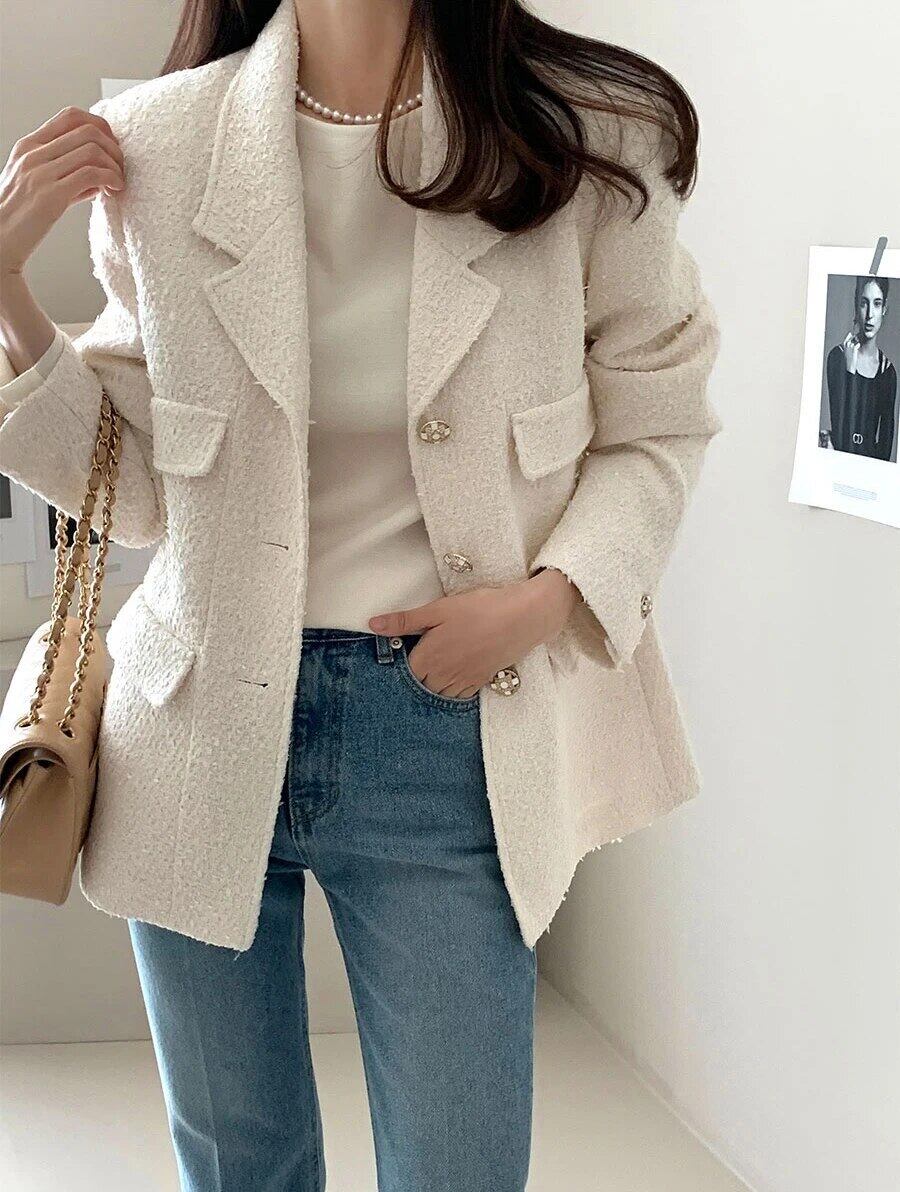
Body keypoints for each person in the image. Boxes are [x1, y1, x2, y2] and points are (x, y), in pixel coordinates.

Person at [0, 0, 721, 1187]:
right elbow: (133, 486)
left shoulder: (587, 134)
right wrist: (8, 294)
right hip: (193, 723)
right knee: (241, 1168)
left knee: (458, 1166)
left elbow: (659, 426)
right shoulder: (158, 142)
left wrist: (543, 601)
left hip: (446, 725)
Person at [825, 275, 896, 460]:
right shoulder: (837, 357)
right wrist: (850, 371)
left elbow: (886, 444)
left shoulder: (888, 372)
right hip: (838, 461)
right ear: (857, 305)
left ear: (884, 309)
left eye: (877, 304)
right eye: (864, 303)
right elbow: (841, 431)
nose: (870, 314)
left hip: (870, 470)